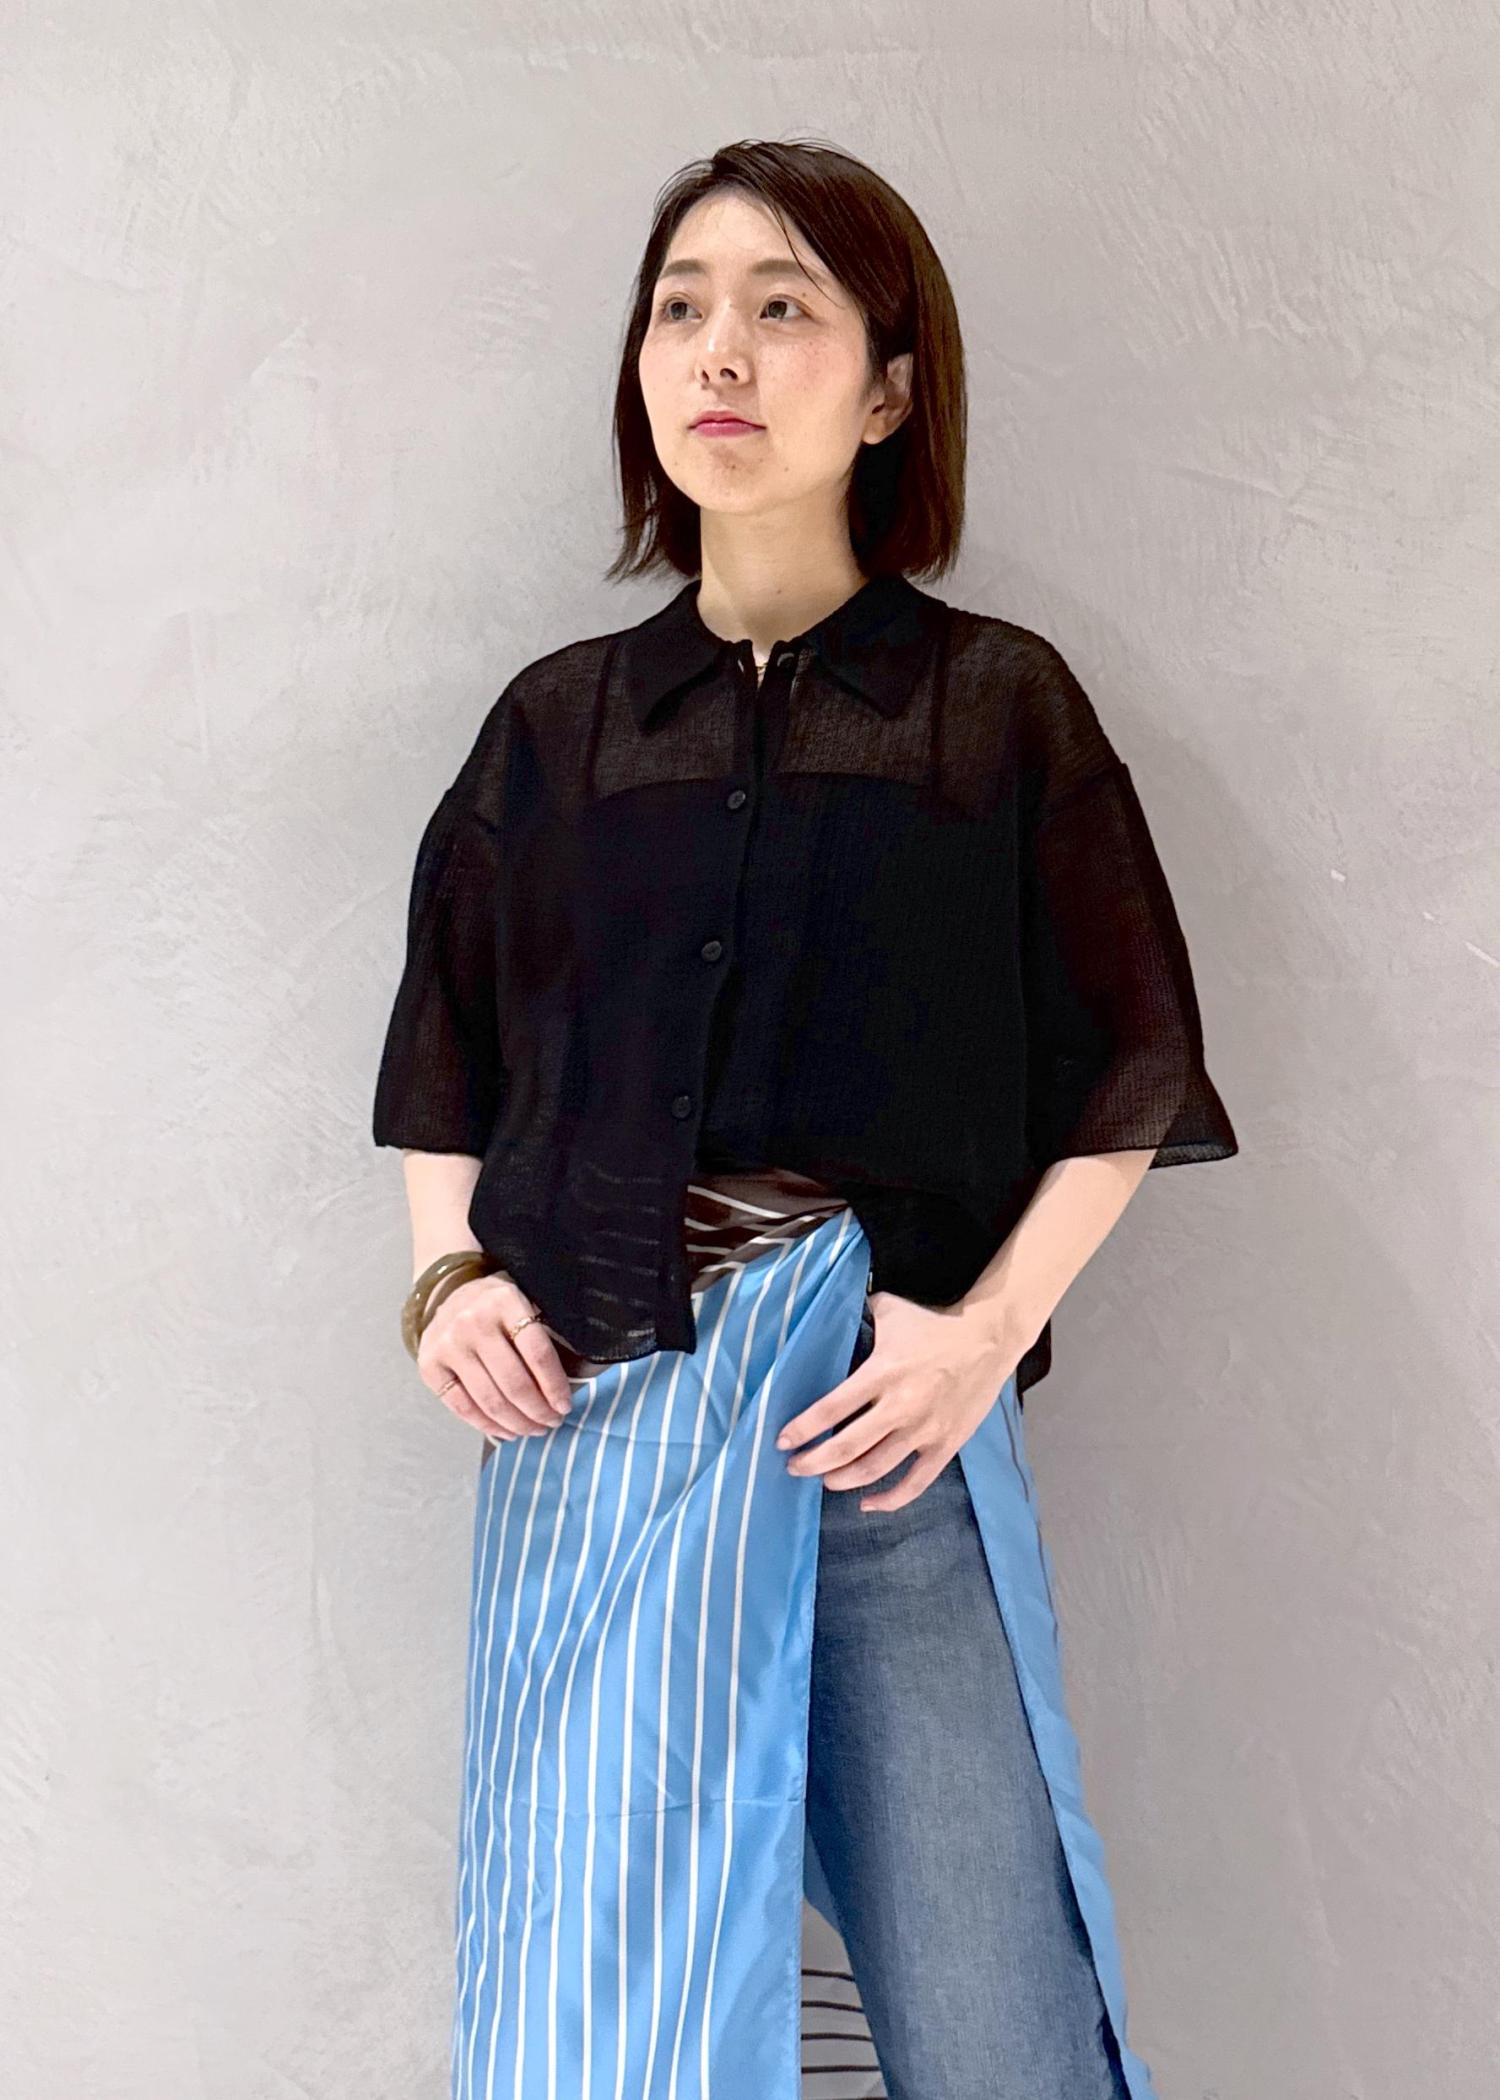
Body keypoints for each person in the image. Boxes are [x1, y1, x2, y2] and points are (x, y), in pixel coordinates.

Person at [372, 137, 1238, 2100]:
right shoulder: (561, 726)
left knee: (984, 1988)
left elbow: (1133, 1059)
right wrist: (445, 1284)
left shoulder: (988, 707)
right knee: (605, 1994)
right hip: (598, 1427)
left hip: (877, 1422)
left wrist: (984, 1336)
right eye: (682, 307)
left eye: (785, 308)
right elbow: (448, 1047)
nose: (722, 352)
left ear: (890, 387)